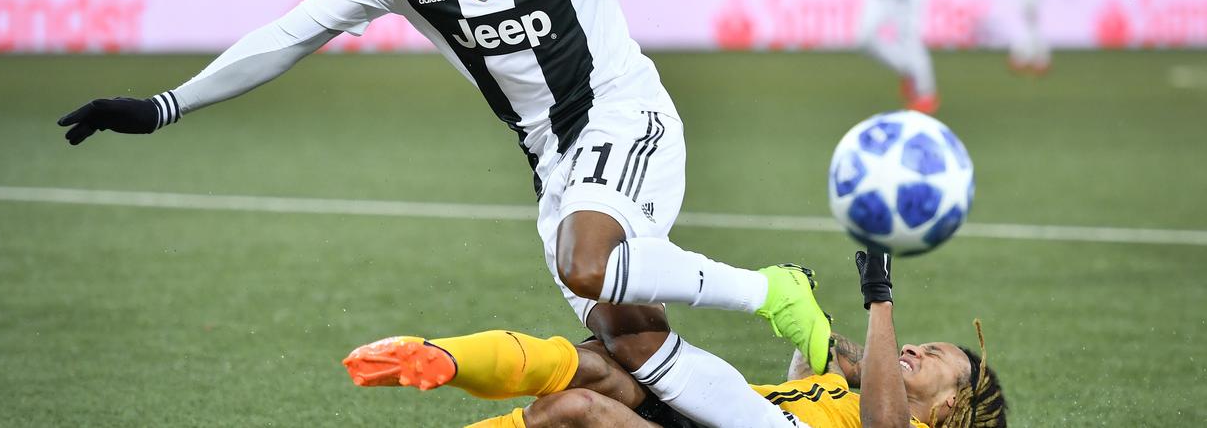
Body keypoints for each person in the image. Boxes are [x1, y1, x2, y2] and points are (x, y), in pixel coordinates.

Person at [58, 0, 911, 428]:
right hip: (550, 161)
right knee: (633, 340)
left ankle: (774, 292)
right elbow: (292, 32)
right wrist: (167, 104)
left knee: (588, 264)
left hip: (625, 116)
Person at [344, 251, 1007, 428]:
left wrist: (880, 297)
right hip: (710, 414)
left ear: (951, 410)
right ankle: (440, 356)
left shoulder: (900, 426)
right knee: (598, 360)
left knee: (575, 410)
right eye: (923, 344)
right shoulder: (857, 387)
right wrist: (805, 318)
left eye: (936, 360)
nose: (916, 351)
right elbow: (831, 355)